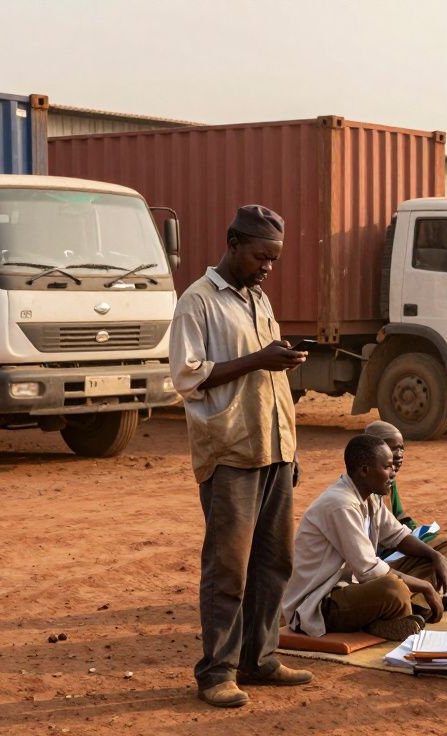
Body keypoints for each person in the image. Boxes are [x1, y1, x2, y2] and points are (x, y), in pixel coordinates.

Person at [169, 204, 312, 708]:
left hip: (273, 447)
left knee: (275, 563)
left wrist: (280, 359)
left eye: (273, 258)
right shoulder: (199, 301)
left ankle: (260, 658)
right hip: (230, 452)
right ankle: (216, 672)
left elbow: (264, 376)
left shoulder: (258, 298)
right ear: (232, 243)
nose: (267, 267)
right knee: (228, 567)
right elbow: (187, 377)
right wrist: (260, 358)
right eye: (260, 257)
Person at [281, 435, 447, 640]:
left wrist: (436, 556)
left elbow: (398, 536)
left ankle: (400, 611)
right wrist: (424, 585)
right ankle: (395, 612)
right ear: (365, 470)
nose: (393, 473)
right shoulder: (341, 504)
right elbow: (369, 570)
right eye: (387, 467)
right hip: (321, 602)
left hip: (358, 588)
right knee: (393, 589)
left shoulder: (370, 496)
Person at [364, 420, 447, 572]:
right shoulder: (360, 491)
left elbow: (400, 517)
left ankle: (416, 587)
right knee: (436, 555)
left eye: (402, 449)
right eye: (394, 449)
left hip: (395, 547)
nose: (399, 454)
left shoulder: (389, 481)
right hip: (378, 557)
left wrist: (419, 533)